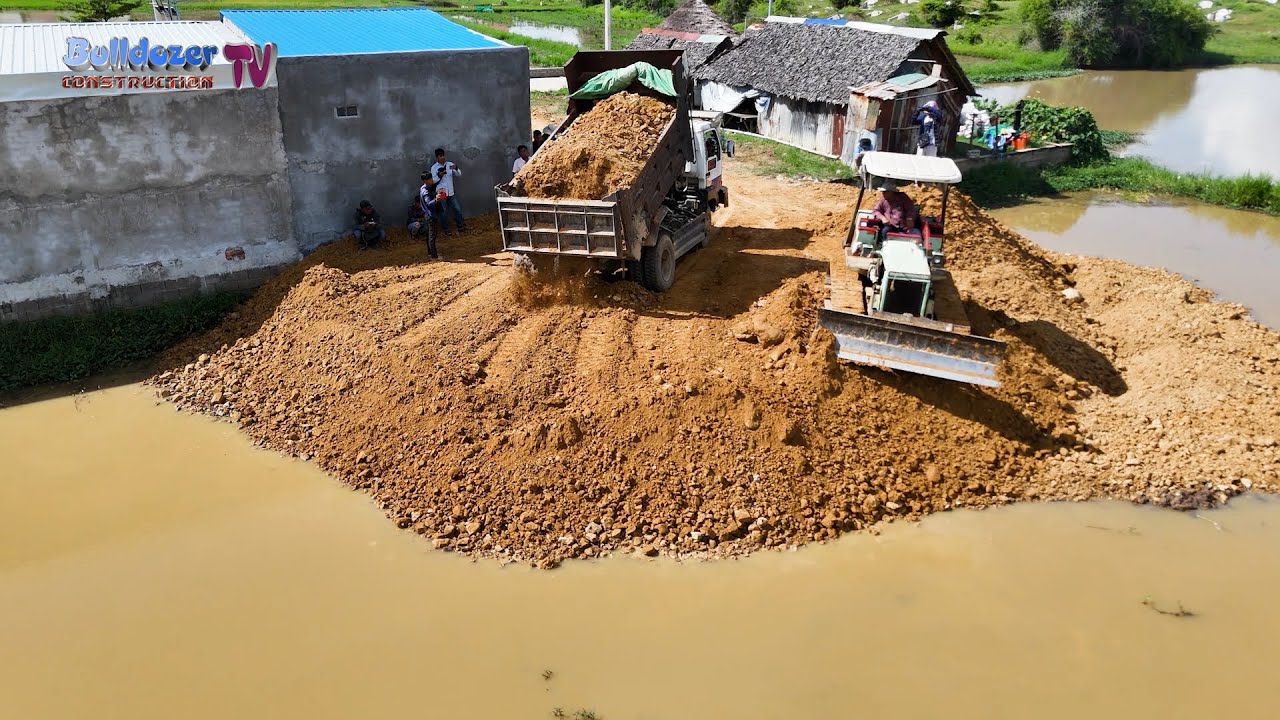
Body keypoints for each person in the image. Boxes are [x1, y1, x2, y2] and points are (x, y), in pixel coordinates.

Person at [430, 148, 466, 236]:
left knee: (457, 209)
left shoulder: (450, 164)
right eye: (440, 156)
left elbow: (459, 174)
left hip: (451, 192)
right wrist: (439, 176)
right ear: (437, 157)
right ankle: (446, 230)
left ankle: (461, 227)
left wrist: (456, 168)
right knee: (443, 211)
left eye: (443, 155)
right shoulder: (434, 168)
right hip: (441, 193)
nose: (442, 158)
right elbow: (433, 181)